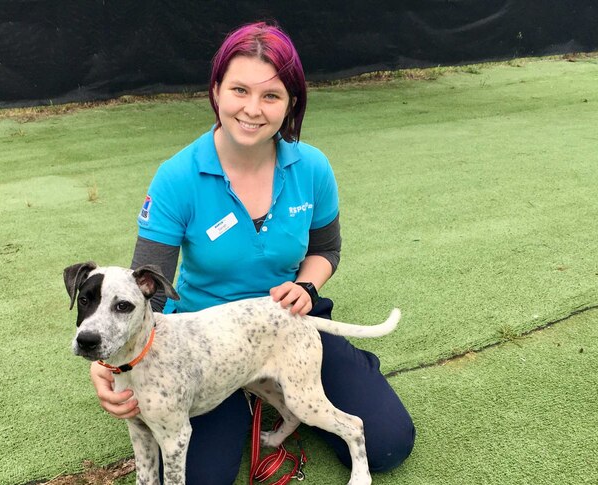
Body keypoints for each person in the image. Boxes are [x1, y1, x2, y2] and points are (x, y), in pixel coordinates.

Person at [90, 21, 415, 484]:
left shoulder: (313, 167)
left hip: (287, 319)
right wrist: (108, 359)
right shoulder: (177, 177)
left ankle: (309, 385)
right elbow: (148, 290)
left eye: (271, 95)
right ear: (216, 90)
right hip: (201, 338)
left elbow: (327, 250)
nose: (252, 109)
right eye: (239, 89)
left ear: (291, 103)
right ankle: (250, 395)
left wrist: (307, 285)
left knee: (387, 444)